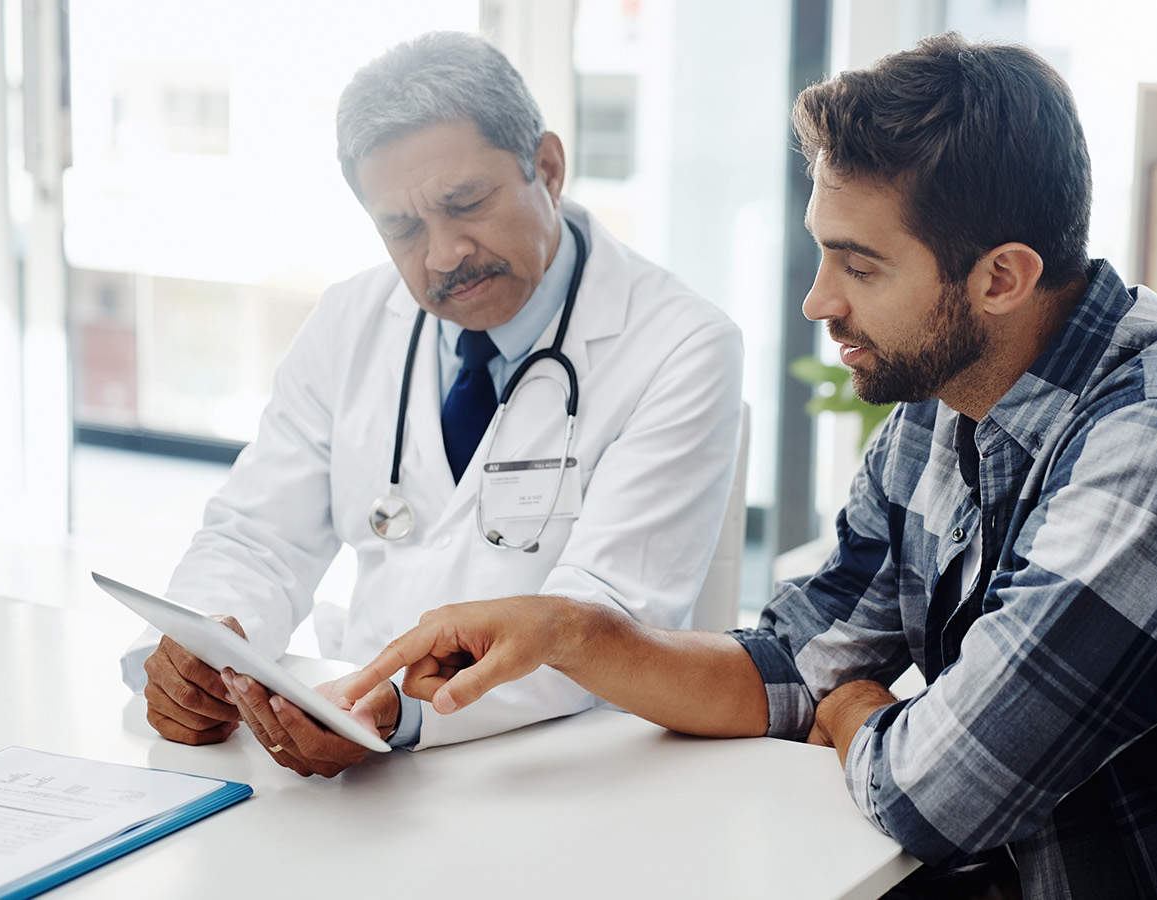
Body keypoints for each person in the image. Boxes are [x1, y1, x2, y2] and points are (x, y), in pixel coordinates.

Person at [342, 32, 1157, 898]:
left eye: (860, 264)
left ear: (1000, 278)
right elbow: (792, 665)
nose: (818, 301)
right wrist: (565, 631)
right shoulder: (949, 397)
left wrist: (854, 714)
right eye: (822, 250)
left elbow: (941, 793)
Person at [120, 31, 744, 777]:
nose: (444, 254)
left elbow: (604, 623)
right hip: (357, 755)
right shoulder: (350, 320)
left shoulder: (682, 344)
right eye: (402, 227)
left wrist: (405, 711)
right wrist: (202, 656)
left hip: (567, 770)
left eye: (466, 203)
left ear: (547, 169)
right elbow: (258, 539)